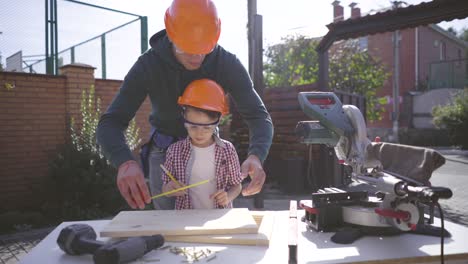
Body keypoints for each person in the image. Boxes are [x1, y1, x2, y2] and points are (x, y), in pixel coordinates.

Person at [96, 0, 273, 210]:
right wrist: (124, 161)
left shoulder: (226, 63)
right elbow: (111, 122)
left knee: (214, 221)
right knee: (169, 230)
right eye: (188, 49)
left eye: (204, 48)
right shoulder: (148, 65)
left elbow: (258, 116)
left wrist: (256, 155)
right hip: (164, 156)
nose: (197, 56)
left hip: (211, 150)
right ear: (171, 34)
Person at [161, 79, 242, 210]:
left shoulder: (227, 150)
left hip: (218, 219)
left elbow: (237, 185)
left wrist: (228, 196)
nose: (199, 134)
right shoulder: (174, 151)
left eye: (206, 128)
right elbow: (165, 186)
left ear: (217, 121)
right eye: (193, 127)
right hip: (185, 219)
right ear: (184, 119)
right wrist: (169, 188)